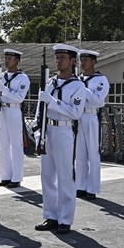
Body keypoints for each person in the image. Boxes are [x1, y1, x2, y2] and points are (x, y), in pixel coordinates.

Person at [34, 45, 86, 232]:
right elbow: (41, 108)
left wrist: (53, 102)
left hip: (64, 132)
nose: (59, 61)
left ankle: (65, 219)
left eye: (63, 57)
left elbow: (75, 112)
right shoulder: (50, 82)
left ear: (72, 61)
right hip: (47, 130)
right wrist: (37, 130)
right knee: (47, 177)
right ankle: (50, 216)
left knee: (65, 177)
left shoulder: (78, 86)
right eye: (57, 57)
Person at [0, 48, 30, 188]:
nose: (6, 61)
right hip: (3, 110)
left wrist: (4, 90)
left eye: (9, 58)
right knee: (3, 145)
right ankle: (5, 176)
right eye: (5, 58)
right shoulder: (2, 76)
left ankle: (16, 177)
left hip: (14, 110)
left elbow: (19, 97)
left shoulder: (22, 78)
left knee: (16, 145)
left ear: (17, 60)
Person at [74, 48, 109, 199]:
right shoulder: (78, 79)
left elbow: (98, 100)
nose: (83, 63)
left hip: (91, 117)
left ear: (94, 62)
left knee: (93, 154)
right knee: (79, 154)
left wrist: (83, 90)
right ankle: (80, 185)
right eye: (81, 60)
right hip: (78, 116)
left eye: (86, 60)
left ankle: (92, 188)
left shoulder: (100, 80)